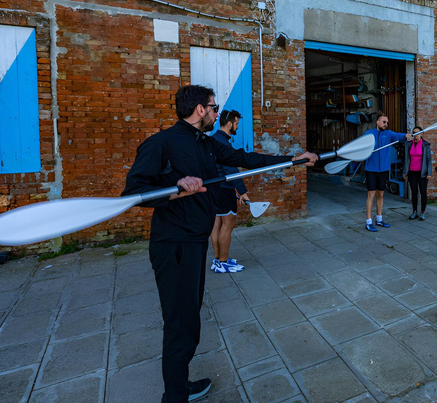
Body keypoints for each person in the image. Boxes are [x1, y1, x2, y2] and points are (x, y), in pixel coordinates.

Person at [122, 85, 317, 403]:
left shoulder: (207, 145)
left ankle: (179, 386)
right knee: (180, 324)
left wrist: (292, 159)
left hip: (195, 242)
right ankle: (174, 396)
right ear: (200, 110)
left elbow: (245, 158)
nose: (216, 112)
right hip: (174, 245)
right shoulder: (161, 143)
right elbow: (132, 193)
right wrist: (175, 186)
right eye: (214, 108)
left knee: (189, 321)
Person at [209, 109, 249, 274]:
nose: (237, 127)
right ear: (230, 123)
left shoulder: (213, 139)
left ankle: (218, 260)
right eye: (237, 123)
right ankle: (223, 262)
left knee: (216, 224)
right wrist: (242, 192)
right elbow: (230, 169)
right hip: (224, 190)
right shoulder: (223, 143)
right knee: (228, 224)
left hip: (214, 190)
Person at [363, 111, 411, 232]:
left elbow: (399, 136)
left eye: (387, 122)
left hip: (384, 169)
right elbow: (361, 147)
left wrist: (406, 136)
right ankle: (368, 221)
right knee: (371, 194)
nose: (386, 124)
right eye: (384, 122)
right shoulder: (369, 134)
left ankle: (379, 219)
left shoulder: (389, 134)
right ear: (377, 122)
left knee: (381, 194)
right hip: (371, 169)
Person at [403, 126, 432, 220]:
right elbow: (406, 159)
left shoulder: (425, 145)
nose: (416, 135)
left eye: (418, 133)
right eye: (414, 133)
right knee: (414, 193)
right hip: (412, 172)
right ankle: (414, 211)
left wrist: (429, 173)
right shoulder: (408, 144)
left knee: (423, 192)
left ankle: (422, 212)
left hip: (422, 173)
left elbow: (428, 160)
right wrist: (405, 171)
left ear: (421, 134)